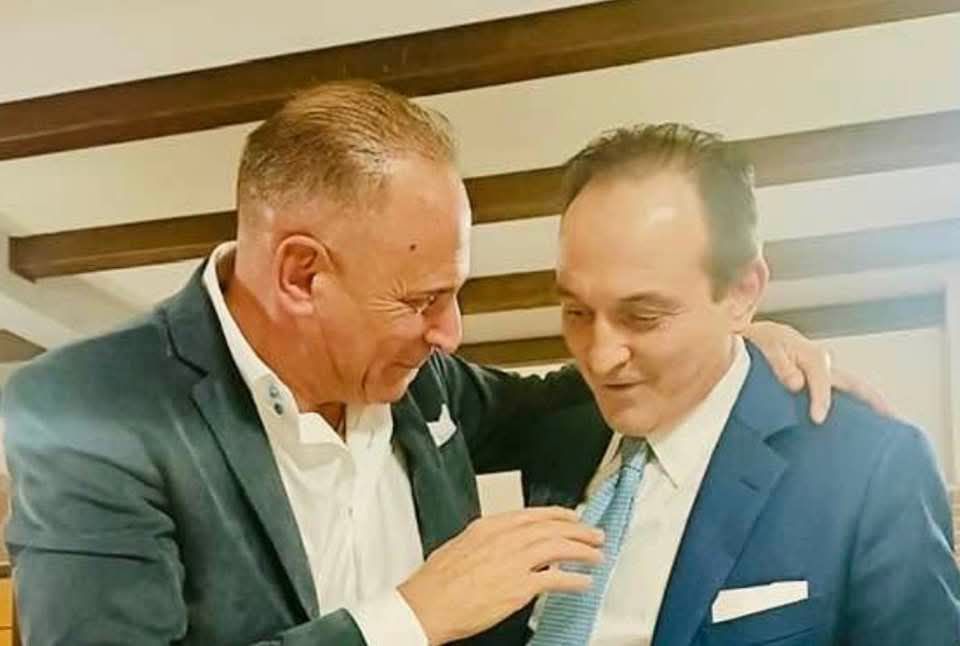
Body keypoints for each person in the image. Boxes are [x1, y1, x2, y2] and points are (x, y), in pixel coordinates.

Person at [2, 83, 877, 646]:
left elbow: (568, 398)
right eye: (421, 300)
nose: (450, 334)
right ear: (302, 274)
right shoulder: (85, 414)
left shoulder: (424, 383)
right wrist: (410, 618)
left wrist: (728, 339)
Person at [526, 124, 960, 645]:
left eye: (643, 317)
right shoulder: (556, 436)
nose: (599, 358)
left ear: (741, 293)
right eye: (576, 312)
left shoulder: (870, 468)